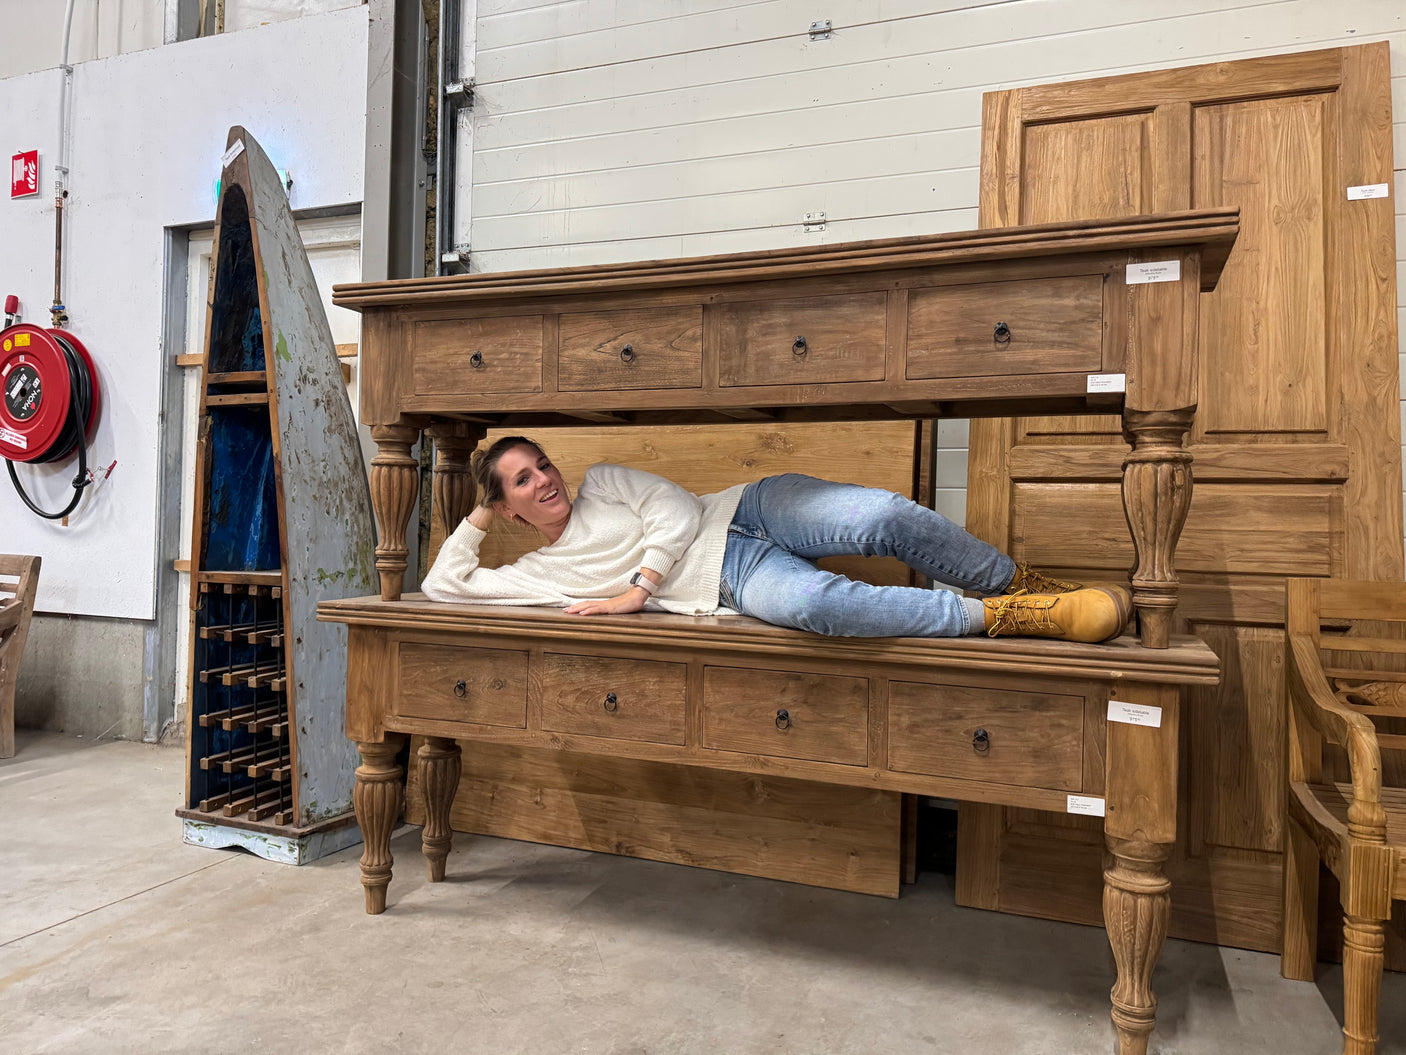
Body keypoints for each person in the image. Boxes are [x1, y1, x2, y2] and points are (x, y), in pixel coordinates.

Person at [421, 436, 1130, 643]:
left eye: (540, 463)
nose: (543, 479)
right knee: (818, 604)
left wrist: (638, 591)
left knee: (878, 516)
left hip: (749, 506)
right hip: (724, 578)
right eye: (519, 481)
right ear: (508, 505)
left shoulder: (604, 479)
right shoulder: (544, 573)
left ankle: (1014, 581)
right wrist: (477, 510)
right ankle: (1004, 617)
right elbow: (442, 586)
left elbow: (672, 508)